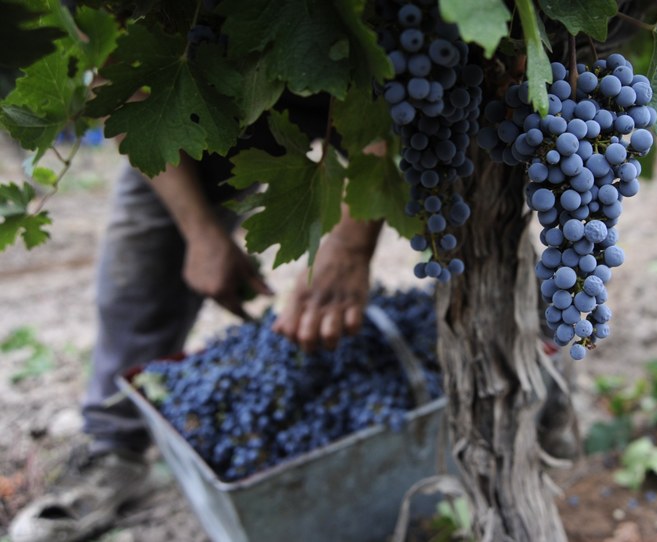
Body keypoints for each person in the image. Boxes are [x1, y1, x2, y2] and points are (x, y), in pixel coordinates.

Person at [8, 100, 384, 542]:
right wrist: (199, 230)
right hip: (205, 89)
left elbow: (400, 108)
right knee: (141, 262)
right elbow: (125, 95)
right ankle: (115, 449)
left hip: (365, 93)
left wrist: (350, 244)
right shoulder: (118, 41)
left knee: (434, 161)